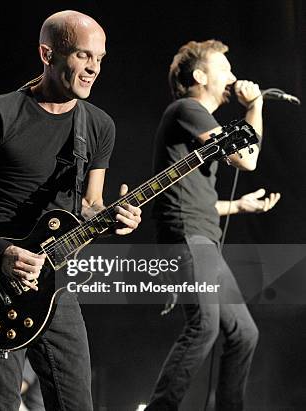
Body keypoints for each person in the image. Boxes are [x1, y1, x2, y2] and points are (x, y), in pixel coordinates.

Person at [0, 10, 142, 410]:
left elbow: (90, 205)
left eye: (100, 58)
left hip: (56, 286)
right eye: (83, 56)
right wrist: (3, 252)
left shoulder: (98, 127)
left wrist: (114, 218)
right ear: (48, 54)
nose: (94, 68)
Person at [146, 40, 281, 410]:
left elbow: (193, 199)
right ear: (200, 75)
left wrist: (237, 206)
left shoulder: (194, 120)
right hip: (188, 239)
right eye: (225, 69)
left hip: (200, 237)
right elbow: (246, 159)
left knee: (244, 335)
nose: (234, 78)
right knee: (204, 325)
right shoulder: (187, 108)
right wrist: (255, 106)